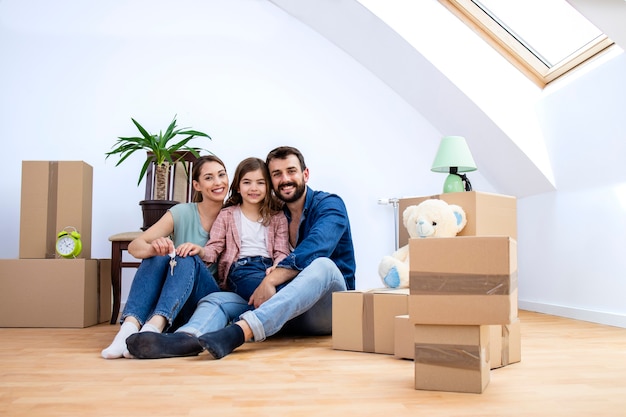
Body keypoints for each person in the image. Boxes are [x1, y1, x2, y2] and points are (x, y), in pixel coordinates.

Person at [126, 146, 356, 359]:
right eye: (277, 174)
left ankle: (239, 332)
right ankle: (186, 338)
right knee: (216, 299)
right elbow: (218, 248)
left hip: (324, 309)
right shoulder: (278, 212)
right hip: (280, 309)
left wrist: (271, 280)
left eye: (291, 171)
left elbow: (316, 245)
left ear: (305, 174)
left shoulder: (329, 205)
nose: (284, 179)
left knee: (323, 265)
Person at [101, 155, 229, 359]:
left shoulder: (233, 214)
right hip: (173, 296)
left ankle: (154, 327)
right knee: (159, 252)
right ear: (197, 185)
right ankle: (129, 328)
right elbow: (136, 245)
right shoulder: (182, 212)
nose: (218, 182)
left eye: (222, 175)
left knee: (186, 254)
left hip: (204, 297)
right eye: (209, 177)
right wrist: (155, 248)